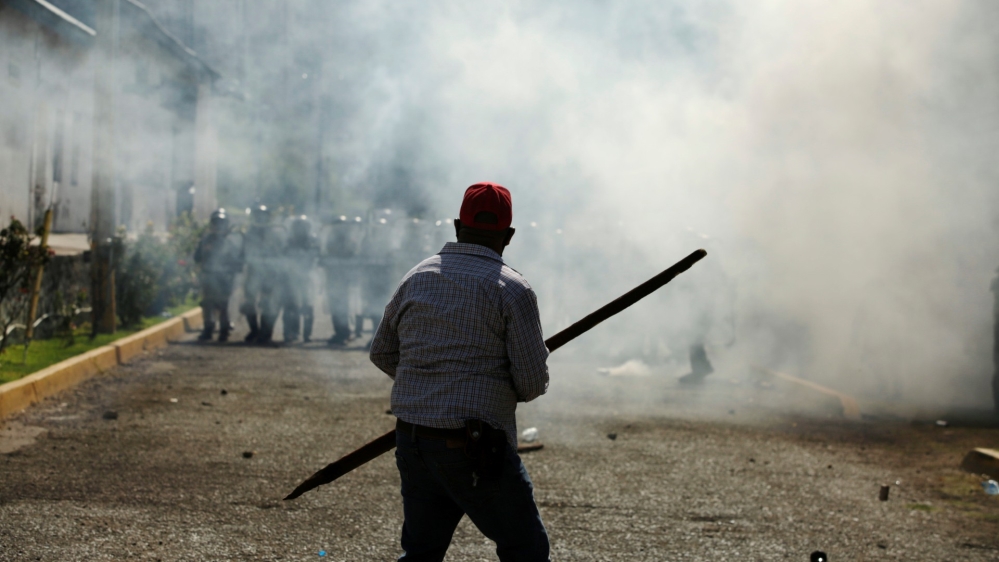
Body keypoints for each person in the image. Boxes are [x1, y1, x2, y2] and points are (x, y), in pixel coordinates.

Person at [369, 182, 551, 561]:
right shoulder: (512, 289)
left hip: (414, 439)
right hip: (475, 446)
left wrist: (427, 384)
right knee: (526, 550)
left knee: (421, 552)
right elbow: (532, 383)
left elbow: (383, 352)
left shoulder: (417, 276)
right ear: (509, 235)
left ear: (456, 226)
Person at [240, 204, 285, 345]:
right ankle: (254, 330)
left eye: (263, 215)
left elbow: (281, 252)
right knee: (249, 303)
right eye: (258, 215)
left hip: (270, 273)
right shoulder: (249, 233)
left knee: (269, 303)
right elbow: (243, 253)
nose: (260, 218)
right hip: (253, 271)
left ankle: (266, 333)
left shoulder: (275, 233)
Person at [193, 209, 242, 341]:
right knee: (208, 304)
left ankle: (224, 331)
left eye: (221, 223)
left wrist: (229, 272)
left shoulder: (231, 241)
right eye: (216, 222)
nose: (218, 226)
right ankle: (208, 329)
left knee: (223, 305)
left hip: (224, 277)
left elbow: (238, 261)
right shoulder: (206, 240)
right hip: (209, 275)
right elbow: (197, 257)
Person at [323, 215, 362, 345]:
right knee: (334, 307)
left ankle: (345, 332)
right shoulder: (329, 241)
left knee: (344, 307)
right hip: (333, 277)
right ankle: (339, 332)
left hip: (344, 279)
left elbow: (354, 258)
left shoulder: (351, 241)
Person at [282, 215, 319, 342]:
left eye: (303, 227)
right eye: (298, 227)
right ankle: (291, 333)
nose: (300, 230)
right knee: (291, 306)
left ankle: (307, 334)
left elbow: (315, 258)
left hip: (307, 277)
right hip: (291, 277)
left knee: (308, 306)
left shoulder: (313, 242)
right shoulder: (288, 242)